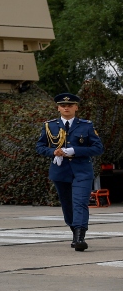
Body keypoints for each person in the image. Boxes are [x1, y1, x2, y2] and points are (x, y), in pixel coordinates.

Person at [35, 93, 103, 251]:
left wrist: (74, 150)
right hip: (60, 171)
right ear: (58, 108)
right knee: (67, 205)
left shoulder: (86, 125)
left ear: (76, 107)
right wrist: (52, 152)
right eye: (63, 106)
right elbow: (40, 147)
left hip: (82, 171)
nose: (66, 108)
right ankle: (74, 231)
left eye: (70, 105)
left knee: (80, 202)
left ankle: (80, 237)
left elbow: (98, 148)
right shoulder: (49, 125)